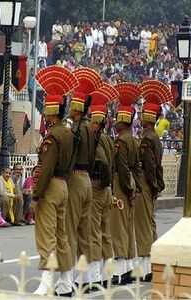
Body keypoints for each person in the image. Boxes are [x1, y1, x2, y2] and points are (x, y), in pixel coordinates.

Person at [31, 65, 77, 296]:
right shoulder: (69, 133)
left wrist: (36, 194)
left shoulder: (53, 136)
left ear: (51, 111)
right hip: (64, 185)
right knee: (62, 234)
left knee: (47, 234)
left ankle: (47, 282)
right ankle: (66, 282)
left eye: (46, 110)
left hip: (50, 187)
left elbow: (45, 167)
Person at [67, 67, 100, 286]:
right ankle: (86, 277)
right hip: (88, 178)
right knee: (85, 230)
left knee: (71, 229)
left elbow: (70, 155)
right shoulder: (92, 128)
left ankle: (68, 277)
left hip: (76, 178)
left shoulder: (77, 129)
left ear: (78, 106)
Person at [110, 83, 143, 285]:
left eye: (116, 119)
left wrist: (128, 189)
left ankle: (120, 272)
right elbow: (137, 167)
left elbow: (121, 168)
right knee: (128, 228)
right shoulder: (134, 140)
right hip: (131, 184)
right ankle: (130, 269)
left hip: (122, 186)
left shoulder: (121, 142)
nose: (114, 122)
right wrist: (136, 187)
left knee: (119, 228)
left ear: (123, 120)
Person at [136, 80, 167, 281]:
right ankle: (152, 264)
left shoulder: (147, 138)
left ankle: (147, 267)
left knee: (144, 226)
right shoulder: (154, 137)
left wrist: (151, 186)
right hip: (152, 185)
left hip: (146, 185)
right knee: (150, 224)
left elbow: (149, 166)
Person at [88, 86, 116, 286]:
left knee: (94, 232)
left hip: (98, 186)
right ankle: (109, 271)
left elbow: (105, 164)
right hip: (107, 189)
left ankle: (97, 274)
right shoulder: (108, 138)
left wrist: (103, 183)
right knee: (106, 232)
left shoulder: (97, 140)